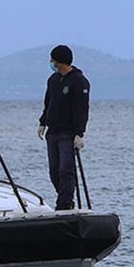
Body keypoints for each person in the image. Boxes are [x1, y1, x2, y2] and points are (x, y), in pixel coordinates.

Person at [38, 45, 90, 210]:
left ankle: (65, 204)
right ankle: (64, 197)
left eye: (53, 60)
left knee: (65, 169)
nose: (51, 63)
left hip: (68, 133)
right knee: (54, 172)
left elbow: (82, 108)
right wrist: (43, 122)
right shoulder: (53, 80)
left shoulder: (79, 81)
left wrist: (79, 133)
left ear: (60, 62)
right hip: (52, 132)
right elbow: (48, 103)